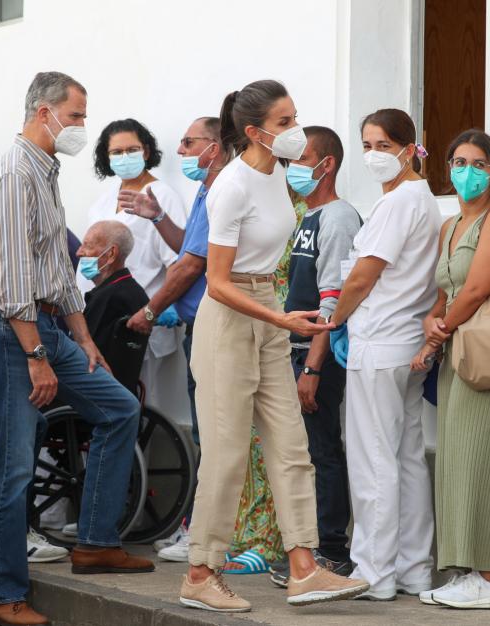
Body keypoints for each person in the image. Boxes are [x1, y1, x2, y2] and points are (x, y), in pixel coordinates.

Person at [0, 71, 152, 626]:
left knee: (121, 408)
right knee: (14, 465)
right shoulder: (12, 174)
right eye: (74, 116)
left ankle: (94, 541)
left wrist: (83, 336)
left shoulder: (44, 172)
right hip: (10, 329)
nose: (80, 128)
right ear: (42, 112)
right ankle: (3, 595)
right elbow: (14, 277)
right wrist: (35, 355)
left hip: (45, 327)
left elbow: (57, 270)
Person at [179, 79, 369, 613]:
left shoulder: (281, 179)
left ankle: (305, 567)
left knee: (291, 447)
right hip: (231, 319)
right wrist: (278, 317)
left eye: (294, 118)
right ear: (255, 132)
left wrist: (281, 318)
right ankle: (200, 571)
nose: (295, 131)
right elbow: (217, 282)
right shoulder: (231, 186)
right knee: (227, 452)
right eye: (285, 123)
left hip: (268, 312)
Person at [410, 129, 490, 609]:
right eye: (458, 161)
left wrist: (439, 330)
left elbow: (476, 289)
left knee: (478, 458)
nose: (467, 171)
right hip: (458, 350)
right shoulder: (449, 225)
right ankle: (466, 573)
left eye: (478, 163)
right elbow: (444, 290)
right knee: (455, 459)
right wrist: (432, 327)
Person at [326, 110, 437, 600]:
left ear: (410, 148)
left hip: (379, 342)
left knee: (374, 459)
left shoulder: (398, 204)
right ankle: (414, 568)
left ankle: (372, 572)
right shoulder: (423, 199)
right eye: (367, 144)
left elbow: (364, 274)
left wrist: (335, 319)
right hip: (409, 344)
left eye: (384, 146)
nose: (374, 155)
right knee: (407, 457)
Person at [120, 116, 228, 562]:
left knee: (215, 431)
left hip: (212, 325)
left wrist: (150, 309)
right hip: (195, 325)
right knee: (209, 429)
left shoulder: (223, 188)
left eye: (189, 142)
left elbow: (189, 267)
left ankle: (206, 536)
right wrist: (159, 216)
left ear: (215, 147)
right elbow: (188, 248)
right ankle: (200, 530)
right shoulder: (205, 189)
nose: (181, 150)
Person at [271, 125, 362, 585]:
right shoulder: (304, 216)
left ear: (325, 164)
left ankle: (332, 551)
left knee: (322, 451)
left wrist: (312, 366)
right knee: (300, 452)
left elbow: (334, 302)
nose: (291, 169)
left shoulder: (340, 217)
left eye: (300, 159)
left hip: (316, 356)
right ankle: (304, 549)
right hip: (291, 351)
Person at [80, 118, 187, 413]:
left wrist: (160, 309)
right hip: (104, 316)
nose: (124, 157)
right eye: (116, 152)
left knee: (138, 403)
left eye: (132, 149)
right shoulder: (102, 203)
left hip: (141, 318)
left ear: (147, 151)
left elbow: (179, 261)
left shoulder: (161, 196)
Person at [78, 220, 149, 393]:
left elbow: (81, 351)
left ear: (111, 254)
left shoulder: (110, 297)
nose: (79, 252)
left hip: (97, 391)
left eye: (86, 246)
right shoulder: (135, 291)